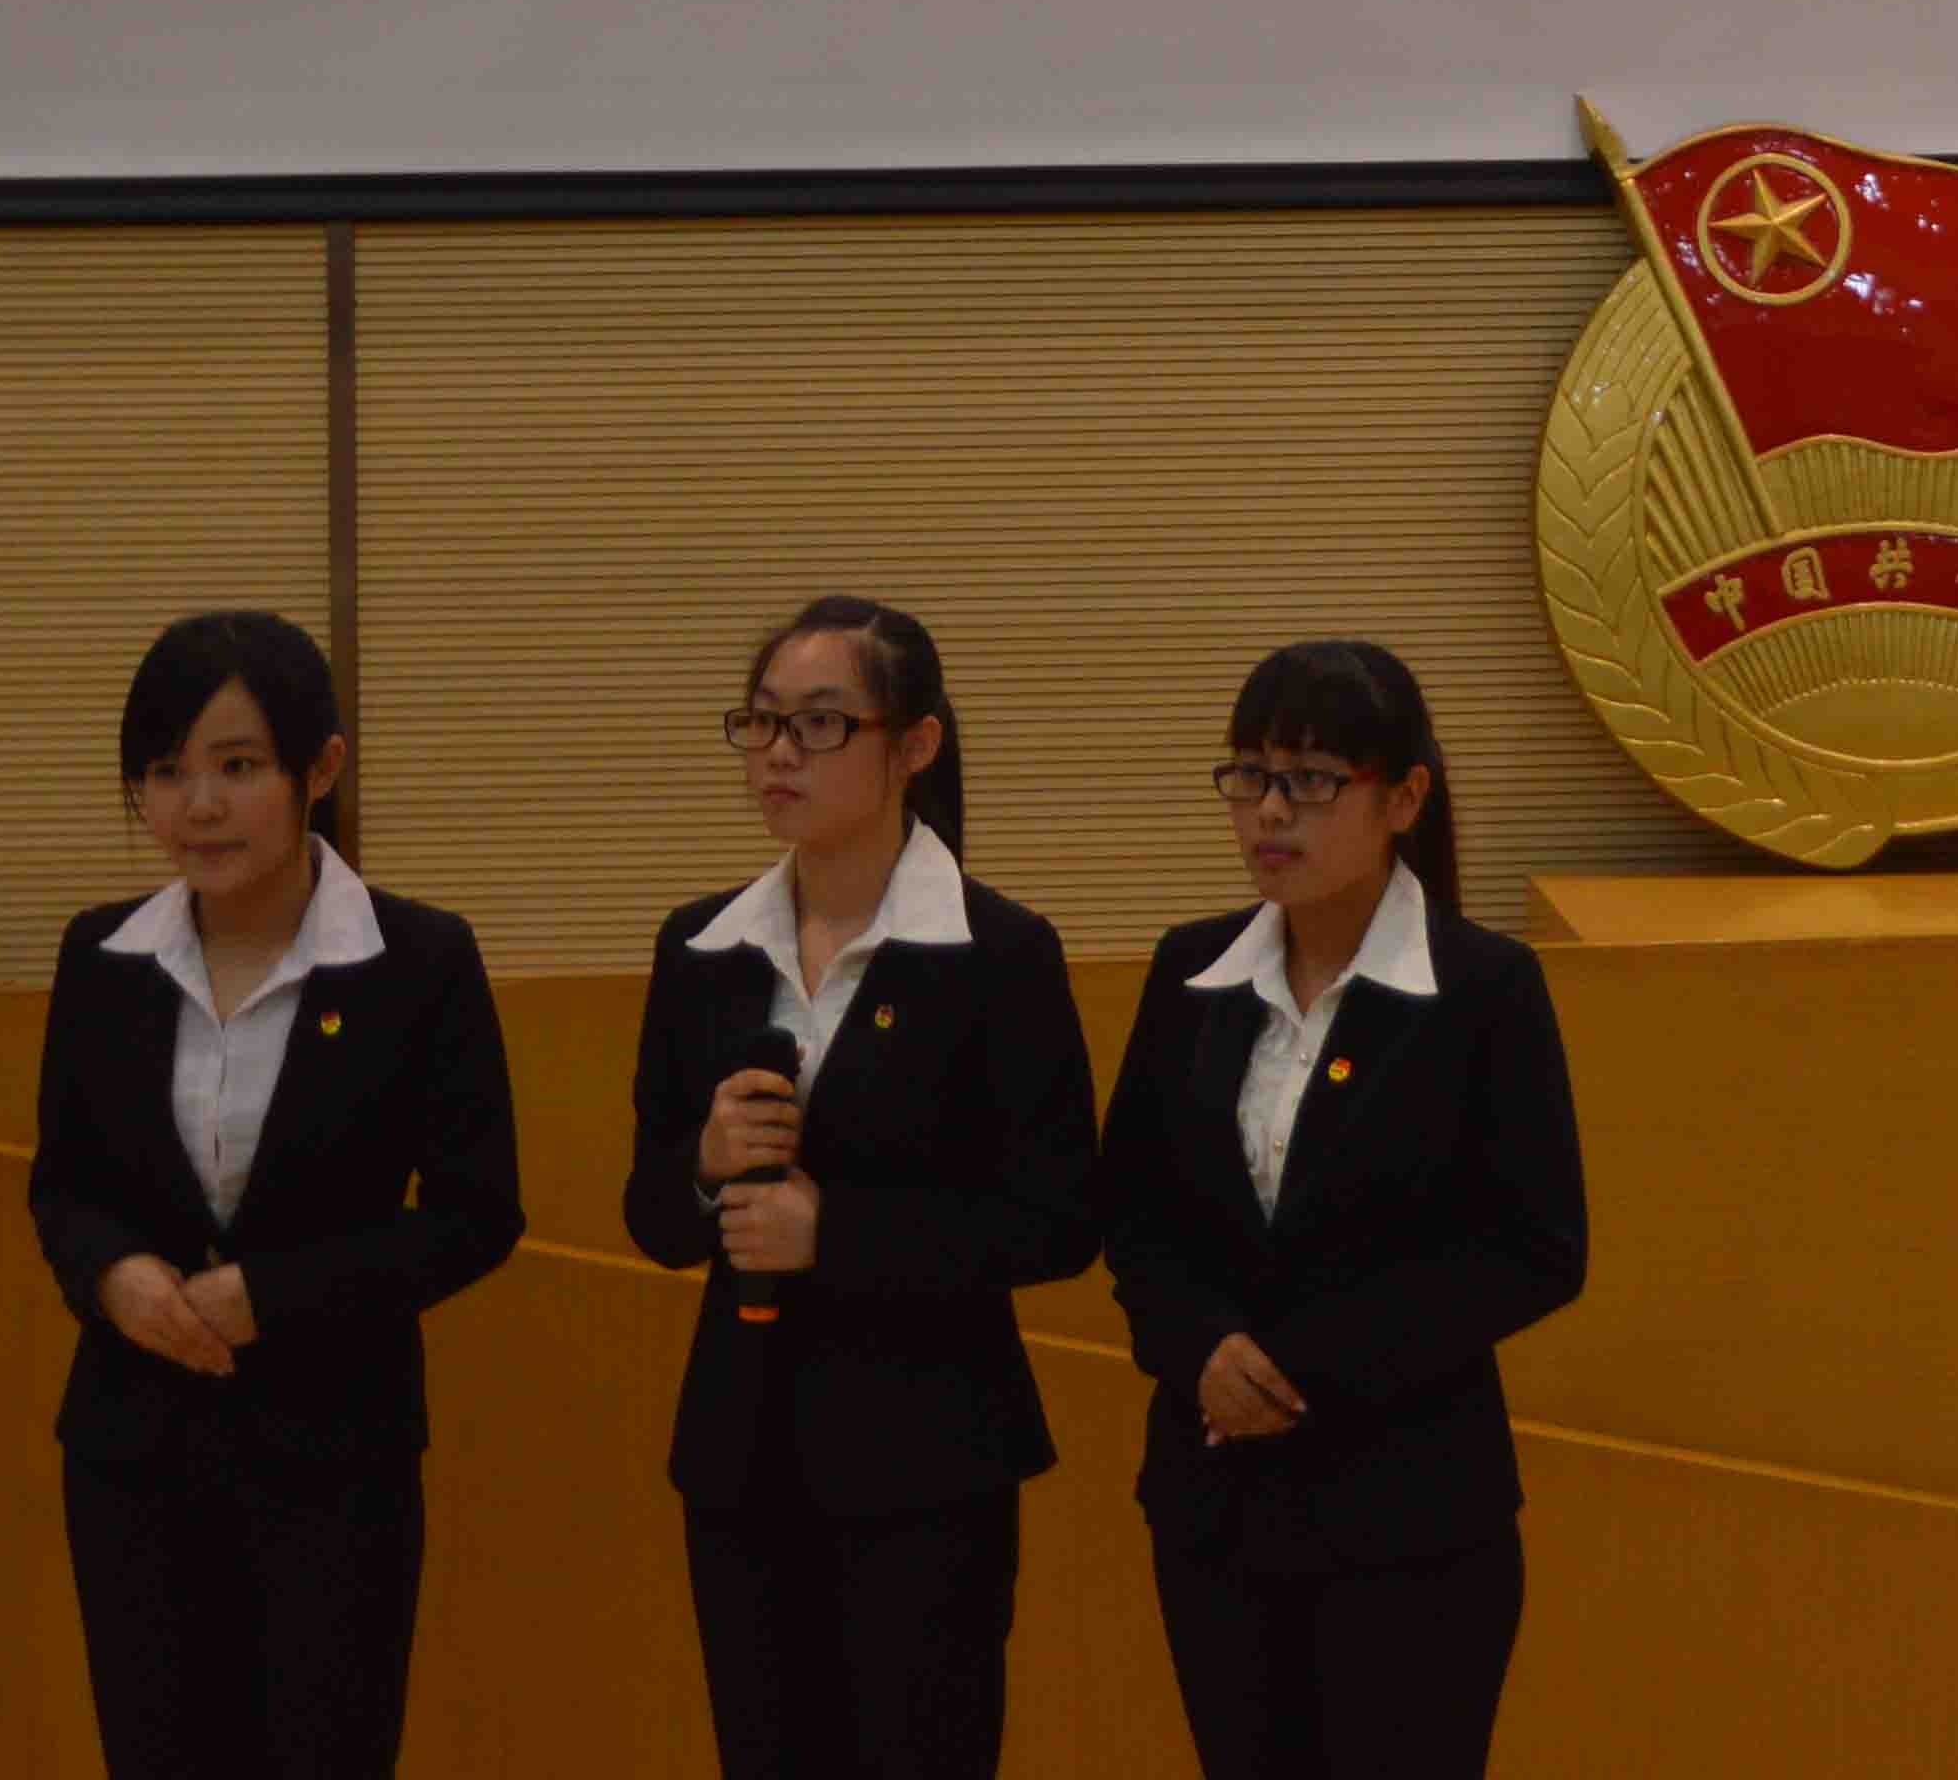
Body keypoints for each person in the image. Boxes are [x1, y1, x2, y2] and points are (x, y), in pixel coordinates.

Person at [27, 610, 524, 1780]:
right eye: (166, 772)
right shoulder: (100, 958)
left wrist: (276, 1296)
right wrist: (111, 1274)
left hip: (332, 1460)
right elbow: (64, 1183)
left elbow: (474, 1212)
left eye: (239, 766)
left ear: (321, 767)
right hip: (133, 1458)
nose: (199, 805)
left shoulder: (419, 961)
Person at [626, 600, 1101, 1780]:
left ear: (915, 744)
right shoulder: (701, 947)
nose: (779, 753)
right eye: (761, 722)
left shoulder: (1000, 954)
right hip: (740, 1456)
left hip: (927, 1463)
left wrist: (832, 1232)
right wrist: (703, 1163)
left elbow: (1054, 1219)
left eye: (821, 723)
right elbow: (651, 1214)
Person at [1095, 642, 1588, 1780]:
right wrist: (1198, 1347)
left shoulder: (1484, 988)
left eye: (1312, 780)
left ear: (1403, 797)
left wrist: (1297, 1368)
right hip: (1217, 1511)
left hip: (1409, 1518)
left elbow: (1534, 1247)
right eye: (1250, 775)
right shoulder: (1189, 974)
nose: (1271, 810)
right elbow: (1135, 1211)